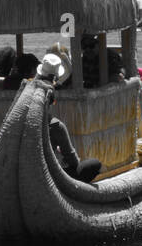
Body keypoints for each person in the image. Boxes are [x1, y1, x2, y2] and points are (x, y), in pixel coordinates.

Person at [38, 55, 101, 183]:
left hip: (31, 169)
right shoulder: (55, 126)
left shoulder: (24, 118)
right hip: (50, 174)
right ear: (52, 102)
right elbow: (73, 160)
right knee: (94, 164)